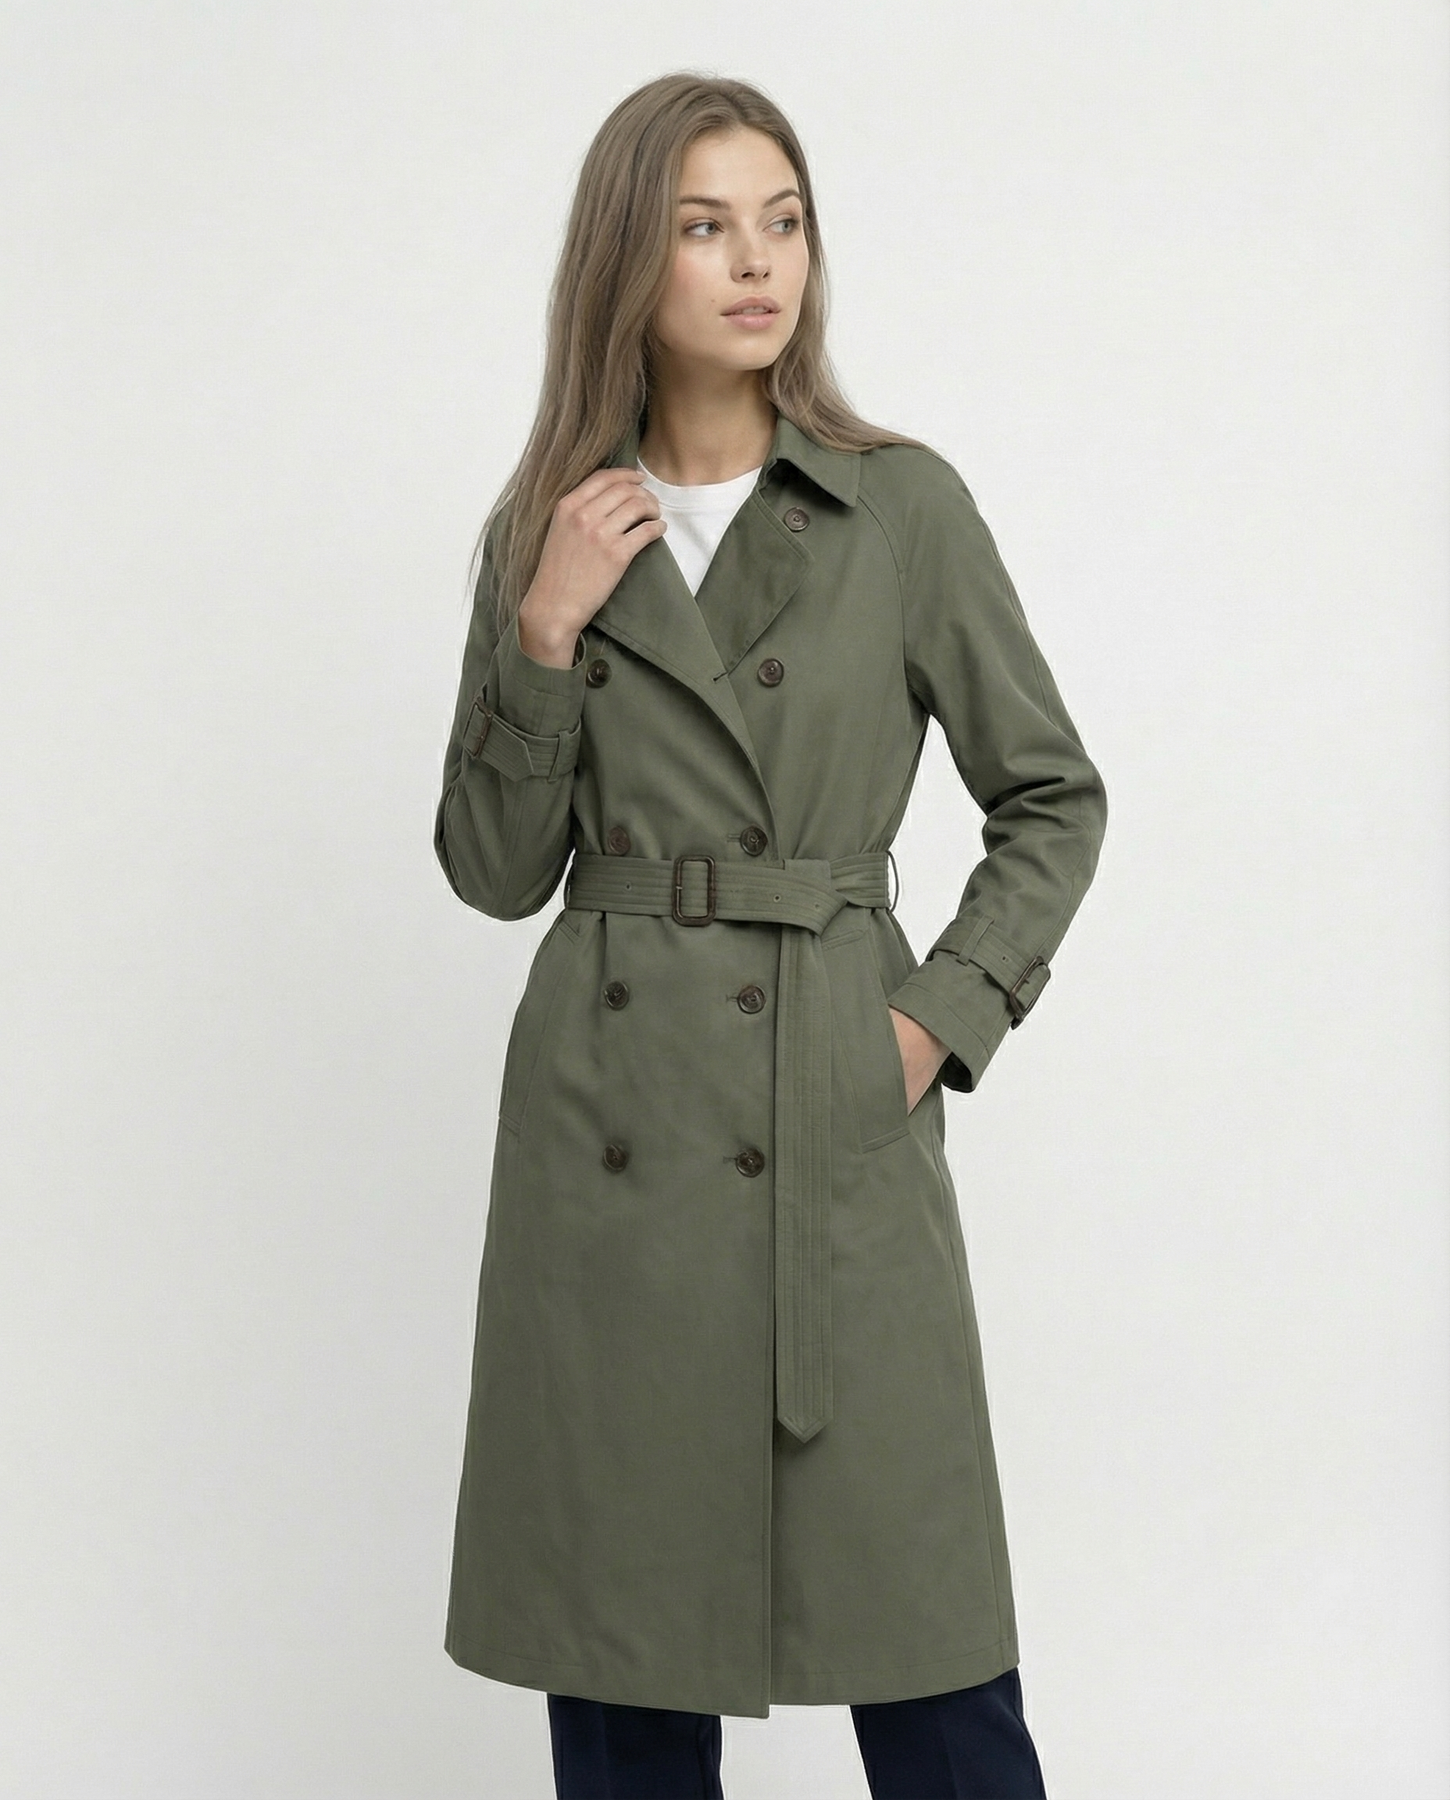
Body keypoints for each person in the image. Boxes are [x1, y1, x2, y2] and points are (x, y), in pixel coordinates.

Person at [433, 71, 1107, 1800]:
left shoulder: (898, 507)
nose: (757, 262)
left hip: (833, 1103)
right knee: (626, 1666)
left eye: (782, 221)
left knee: (931, 1656)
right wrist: (542, 635)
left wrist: (928, 1026)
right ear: (625, 260)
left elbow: (1050, 796)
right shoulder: (546, 531)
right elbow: (495, 871)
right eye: (704, 225)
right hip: (611, 1134)